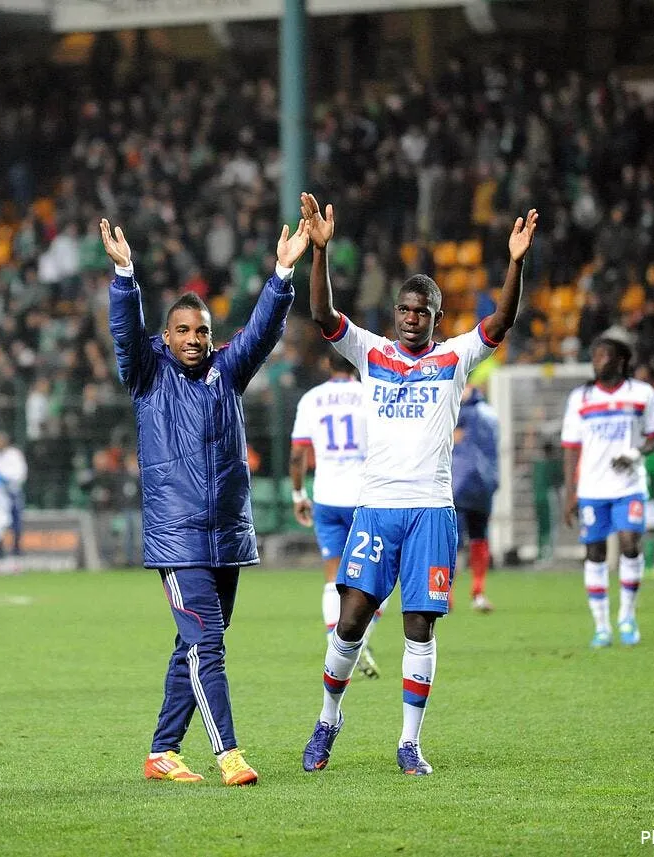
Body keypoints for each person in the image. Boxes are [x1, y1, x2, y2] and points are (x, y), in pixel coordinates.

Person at [300, 192, 538, 776]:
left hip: (431, 510)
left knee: (418, 625)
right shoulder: (371, 352)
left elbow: (502, 322)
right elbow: (324, 317)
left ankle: (409, 743)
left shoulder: (456, 358)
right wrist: (320, 254)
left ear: (436, 315)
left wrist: (515, 264)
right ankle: (328, 720)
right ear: (397, 313)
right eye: (405, 309)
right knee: (351, 618)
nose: (411, 316)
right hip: (376, 508)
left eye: (422, 310)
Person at [101, 213, 308, 786]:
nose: (195, 340)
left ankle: (162, 752)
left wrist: (283, 273)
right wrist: (125, 274)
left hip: (227, 534)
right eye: (184, 331)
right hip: (178, 537)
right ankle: (229, 754)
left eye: (203, 332)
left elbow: (263, 333)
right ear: (166, 336)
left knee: (191, 647)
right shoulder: (146, 374)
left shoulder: (226, 372)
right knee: (207, 645)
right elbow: (124, 332)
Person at [561, 328, 654, 649]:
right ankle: (602, 626)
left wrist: (636, 453)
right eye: (594, 355)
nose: (596, 361)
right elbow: (570, 447)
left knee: (630, 543)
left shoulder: (642, 394)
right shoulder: (580, 397)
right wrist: (570, 493)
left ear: (621, 360)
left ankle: (627, 617)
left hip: (629, 485)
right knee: (595, 553)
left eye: (603, 355)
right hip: (592, 487)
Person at [289, 354, 384, 678]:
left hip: (327, 497)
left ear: (327, 365)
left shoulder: (312, 399)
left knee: (333, 578)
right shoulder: (372, 394)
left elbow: (298, 453)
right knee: (377, 578)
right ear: (356, 365)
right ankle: (359, 643)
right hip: (365, 498)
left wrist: (299, 494)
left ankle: (337, 644)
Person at [452, 381, 500, 612]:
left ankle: (445, 594)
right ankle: (478, 593)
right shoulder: (490, 413)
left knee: (453, 542)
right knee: (478, 538)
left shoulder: (456, 411)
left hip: (457, 486)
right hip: (484, 485)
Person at [0, 431, 29, 566]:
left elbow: (20, 474)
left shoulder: (14, 454)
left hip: (12, 493)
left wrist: (4, 476)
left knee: (16, 524)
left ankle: (16, 555)